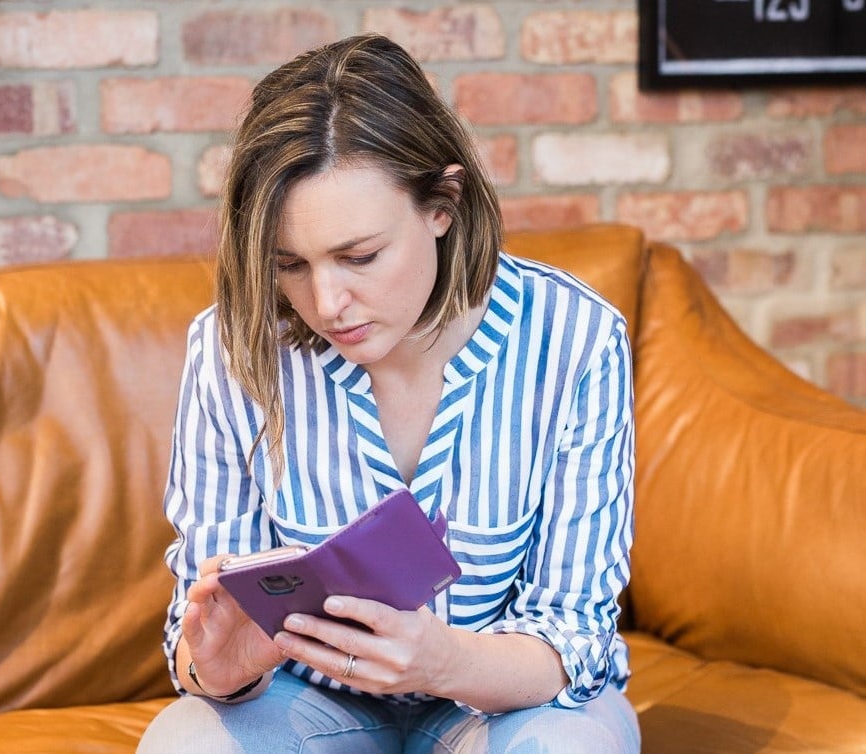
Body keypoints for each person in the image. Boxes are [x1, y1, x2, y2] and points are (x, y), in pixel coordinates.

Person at [138, 33, 639, 753]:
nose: (327, 301)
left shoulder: (573, 338)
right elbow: (199, 634)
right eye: (290, 265)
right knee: (186, 743)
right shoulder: (234, 346)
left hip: (500, 706)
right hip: (307, 703)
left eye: (359, 256)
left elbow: (576, 640)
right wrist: (220, 673)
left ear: (443, 203)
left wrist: (442, 660)